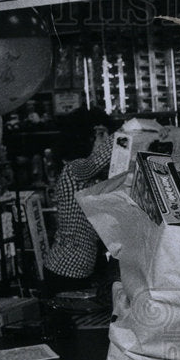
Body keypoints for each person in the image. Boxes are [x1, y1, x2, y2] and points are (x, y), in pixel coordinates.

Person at [43, 123, 115, 294]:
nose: (103, 140)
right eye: (99, 135)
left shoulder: (91, 179)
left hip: (78, 268)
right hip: (66, 268)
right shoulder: (73, 169)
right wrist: (122, 135)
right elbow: (95, 162)